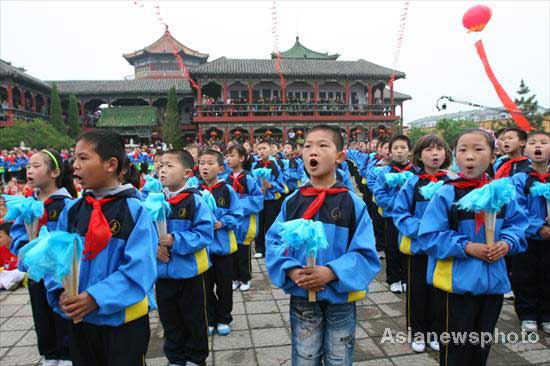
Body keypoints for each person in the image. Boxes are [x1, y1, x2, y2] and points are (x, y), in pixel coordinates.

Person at [266, 125, 380, 366]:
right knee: (304, 355)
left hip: (340, 296)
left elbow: (366, 253)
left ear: (340, 157)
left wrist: (331, 272)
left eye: (322, 145)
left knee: (339, 355)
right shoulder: (292, 202)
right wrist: (292, 270)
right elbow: (275, 242)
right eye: (307, 146)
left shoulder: (352, 204)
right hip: (302, 295)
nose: (312, 152)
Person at [47, 130, 158, 366]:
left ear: (111, 164)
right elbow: (56, 259)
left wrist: (97, 297)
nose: (75, 165)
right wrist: (60, 291)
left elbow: (140, 269)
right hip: (82, 320)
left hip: (124, 321)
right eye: (74, 158)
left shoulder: (135, 211)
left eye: (84, 158)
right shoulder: (73, 210)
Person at [418, 129, 528, 366]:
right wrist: (466, 247)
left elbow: (519, 226)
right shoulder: (446, 193)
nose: (470, 156)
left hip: (493, 285)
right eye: (463, 150)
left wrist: (506, 243)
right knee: (456, 347)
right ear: (455, 157)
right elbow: (428, 236)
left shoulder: (503, 192)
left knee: (481, 344)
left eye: (478, 149)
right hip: (456, 286)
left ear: (492, 156)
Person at [9, 148, 77, 366]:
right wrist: (25, 247)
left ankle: (67, 358)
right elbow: (18, 233)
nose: (30, 170)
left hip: (59, 276)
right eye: (29, 166)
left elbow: (69, 242)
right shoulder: (29, 204)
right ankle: (50, 357)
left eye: (37, 166)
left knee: (63, 320)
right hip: (37, 275)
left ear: (55, 172)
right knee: (43, 320)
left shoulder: (67, 205)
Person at [392, 134, 452, 353]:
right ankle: (417, 332)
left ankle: (437, 331)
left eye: (439, 149)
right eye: (428, 149)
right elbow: (400, 213)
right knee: (417, 292)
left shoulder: (452, 183)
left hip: (443, 249)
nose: (434, 154)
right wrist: (421, 231)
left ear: (446, 154)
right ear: (418, 155)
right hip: (418, 248)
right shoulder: (412, 182)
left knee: (440, 292)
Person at [157, 150, 214, 366]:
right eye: (161, 165)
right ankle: (175, 357)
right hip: (163, 273)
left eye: (170, 166)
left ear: (187, 173)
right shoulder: (155, 200)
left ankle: (196, 358)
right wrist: (155, 246)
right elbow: (144, 232)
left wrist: (175, 239)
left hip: (190, 272)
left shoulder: (194, 201)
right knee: (169, 320)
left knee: (194, 318)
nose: (163, 170)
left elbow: (204, 233)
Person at [198, 149, 243, 336]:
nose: (205, 167)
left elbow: (238, 215)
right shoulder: (195, 191)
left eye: (210, 163)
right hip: (203, 250)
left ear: (221, 168)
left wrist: (222, 223)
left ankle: (224, 318)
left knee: (224, 286)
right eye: (201, 163)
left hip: (223, 248)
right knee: (205, 287)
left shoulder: (227, 190)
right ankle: (209, 318)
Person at [511, 131, 550, 334]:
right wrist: (538, 227)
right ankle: (527, 314)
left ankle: (547, 314)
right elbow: (517, 207)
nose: (538, 146)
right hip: (526, 238)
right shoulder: (520, 179)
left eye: (544, 142)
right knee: (525, 275)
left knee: (548, 275)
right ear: (525, 149)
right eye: (533, 142)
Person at [373, 135, 417, 293]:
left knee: (408, 247)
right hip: (391, 217)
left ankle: (407, 278)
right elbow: (379, 194)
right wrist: (398, 205)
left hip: (410, 218)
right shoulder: (383, 172)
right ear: (390, 152)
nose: (399, 152)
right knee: (392, 248)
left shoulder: (417, 172)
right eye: (395, 148)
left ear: (409, 151)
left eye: (403, 148)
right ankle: (394, 278)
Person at [226, 145, 263, 292]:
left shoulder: (248, 178)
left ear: (241, 158)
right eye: (227, 155)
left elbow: (258, 199)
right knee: (232, 252)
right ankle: (234, 277)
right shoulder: (226, 179)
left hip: (245, 221)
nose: (228, 158)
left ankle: (245, 278)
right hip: (232, 222)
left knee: (243, 252)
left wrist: (237, 205)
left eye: (232, 155)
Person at [251, 141, 285, 258]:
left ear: (270, 150)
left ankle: (271, 248)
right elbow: (251, 182)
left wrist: (270, 186)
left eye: (264, 148)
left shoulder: (276, 165)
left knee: (271, 224)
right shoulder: (255, 165)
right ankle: (259, 249)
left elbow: (281, 185)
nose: (261, 151)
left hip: (272, 200)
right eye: (259, 149)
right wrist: (257, 189)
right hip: (259, 200)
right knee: (259, 224)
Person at [0, 222, 26, 290]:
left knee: (18, 273)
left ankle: (7, 284)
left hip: (19, 273)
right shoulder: (1, 249)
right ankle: (7, 284)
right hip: (6, 274)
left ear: (11, 236)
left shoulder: (20, 247)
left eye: (0, 237)